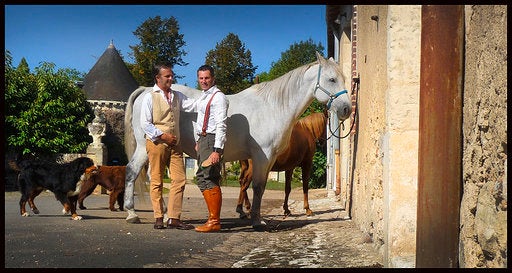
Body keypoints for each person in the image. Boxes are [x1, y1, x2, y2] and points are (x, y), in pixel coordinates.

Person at [140, 63, 196, 230]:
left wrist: (212, 98)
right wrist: (163, 136)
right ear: (158, 78)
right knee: (157, 180)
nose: (171, 78)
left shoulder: (177, 96)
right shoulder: (150, 97)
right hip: (157, 143)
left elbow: (193, 105)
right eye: (167, 76)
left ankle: (173, 217)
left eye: (172, 75)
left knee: (179, 180)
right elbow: (145, 123)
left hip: (175, 144)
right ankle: (158, 216)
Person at [194, 65, 228, 232]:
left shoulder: (218, 97)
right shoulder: (203, 96)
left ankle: (214, 221)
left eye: (206, 78)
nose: (204, 81)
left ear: (213, 78)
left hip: (212, 140)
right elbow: (200, 119)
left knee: (210, 176)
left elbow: (222, 125)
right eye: (201, 78)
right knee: (201, 177)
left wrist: (217, 150)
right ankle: (212, 218)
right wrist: (198, 140)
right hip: (203, 139)